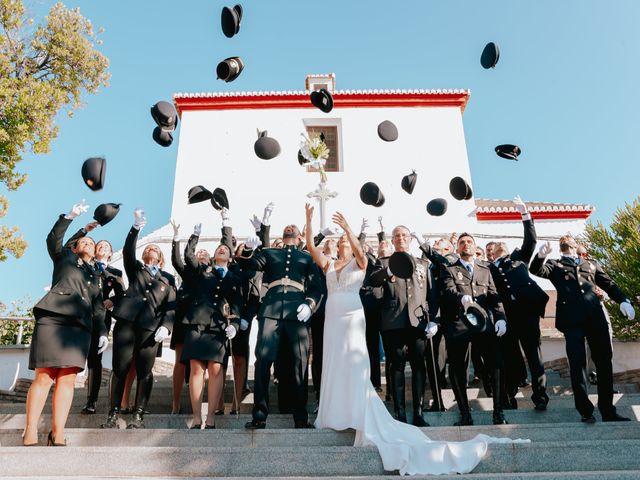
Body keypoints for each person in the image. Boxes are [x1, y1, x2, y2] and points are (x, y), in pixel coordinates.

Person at [305, 206, 525, 475]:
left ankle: (392, 412)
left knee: (384, 366)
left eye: (345, 242)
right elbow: (319, 251)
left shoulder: (386, 262)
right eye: (338, 241)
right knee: (343, 364)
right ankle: (345, 412)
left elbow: (426, 290)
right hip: (350, 320)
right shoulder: (341, 264)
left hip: (376, 319)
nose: (342, 244)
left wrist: (350, 230)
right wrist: (309, 220)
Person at [23, 201, 108, 446]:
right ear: (76, 245)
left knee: (68, 378)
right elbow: (54, 239)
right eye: (84, 242)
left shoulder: (96, 276)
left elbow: (98, 307)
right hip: (54, 318)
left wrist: (102, 332)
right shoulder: (64, 258)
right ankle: (30, 430)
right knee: (44, 376)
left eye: (92, 244)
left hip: (80, 328)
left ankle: (57, 431)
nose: (89, 244)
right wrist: (72, 218)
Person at [530, 235, 636, 422]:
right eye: (563, 238)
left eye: (569, 237)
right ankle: (585, 411)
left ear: (577, 245)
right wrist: (540, 255)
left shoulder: (591, 264)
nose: (565, 238)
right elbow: (536, 270)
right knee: (577, 363)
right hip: (572, 321)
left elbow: (609, 284)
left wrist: (623, 301)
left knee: (604, 362)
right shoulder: (554, 265)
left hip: (596, 319)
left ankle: (608, 410)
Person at [236, 222, 324, 429]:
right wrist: (248, 251)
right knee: (263, 361)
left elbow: (316, 286)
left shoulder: (308, 257)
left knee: (299, 364)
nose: (290, 227)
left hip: (297, 312)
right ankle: (259, 414)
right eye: (287, 226)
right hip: (271, 311)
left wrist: (310, 305)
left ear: (301, 236)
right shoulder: (270, 253)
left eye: (294, 226)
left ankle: (300, 417)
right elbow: (249, 266)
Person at [102, 209, 176, 429]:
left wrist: (167, 327)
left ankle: (138, 415)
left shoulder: (168, 278)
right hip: (127, 324)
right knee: (120, 368)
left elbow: (170, 307)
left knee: (145, 371)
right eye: (149, 248)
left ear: (161, 259)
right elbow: (128, 251)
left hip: (151, 328)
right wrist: (135, 228)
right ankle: (113, 413)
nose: (151, 249)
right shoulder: (136, 269)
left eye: (156, 249)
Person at [368, 225, 438, 426]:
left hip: (417, 322)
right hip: (393, 321)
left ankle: (418, 413)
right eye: (397, 235)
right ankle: (399, 413)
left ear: (410, 239)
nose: (401, 238)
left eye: (404, 235)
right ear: (392, 239)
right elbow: (373, 281)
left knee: (418, 366)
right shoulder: (383, 262)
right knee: (396, 366)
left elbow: (431, 294)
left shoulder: (422, 264)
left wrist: (433, 319)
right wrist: (388, 271)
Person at [485, 196, 550, 411]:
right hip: (507, 316)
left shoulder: (518, 258)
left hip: (527, 313)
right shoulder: (488, 267)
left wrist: (525, 215)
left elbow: (530, 241)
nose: (500, 245)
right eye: (496, 245)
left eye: (503, 243)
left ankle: (540, 397)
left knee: (534, 356)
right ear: (491, 252)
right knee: (511, 358)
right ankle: (509, 397)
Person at [440, 233, 509, 426]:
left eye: (469, 242)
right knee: (458, 369)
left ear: (474, 245)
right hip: (460, 324)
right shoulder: (450, 269)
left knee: (495, 364)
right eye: (462, 242)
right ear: (457, 248)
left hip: (483, 323)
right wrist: (460, 298)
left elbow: (494, 296)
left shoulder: (485, 269)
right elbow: (448, 290)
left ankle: (498, 412)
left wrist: (501, 318)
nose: (466, 245)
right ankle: (464, 413)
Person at [181, 223, 241, 428]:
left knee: (216, 369)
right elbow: (189, 257)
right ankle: (197, 416)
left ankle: (212, 417)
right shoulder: (202, 271)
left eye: (225, 249)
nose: (222, 249)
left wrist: (235, 323)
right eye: (219, 249)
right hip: (197, 325)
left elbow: (237, 303)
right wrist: (194, 236)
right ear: (214, 256)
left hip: (219, 327)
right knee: (196, 369)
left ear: (231, 257)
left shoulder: (234, 277)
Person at [80, 239, 125, 414]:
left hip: (101, 318)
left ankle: (91, 401)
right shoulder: (84, 267)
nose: (103, 247)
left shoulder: (115, 272)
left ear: (111, 253)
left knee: (94, 359)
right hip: (81, 315)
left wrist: (111, 300)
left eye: (107, 246)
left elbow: (122, 293)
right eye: (100, 246)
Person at [169, 219, 191, 414]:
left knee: (197, 364)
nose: (200, 256)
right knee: (180, 361)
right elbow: (177, 261)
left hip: (203, 322)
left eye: (204, 255)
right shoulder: (188, 273)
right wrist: (177, 238)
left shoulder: (211, 275)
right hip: (183, 319)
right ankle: (175, 403)